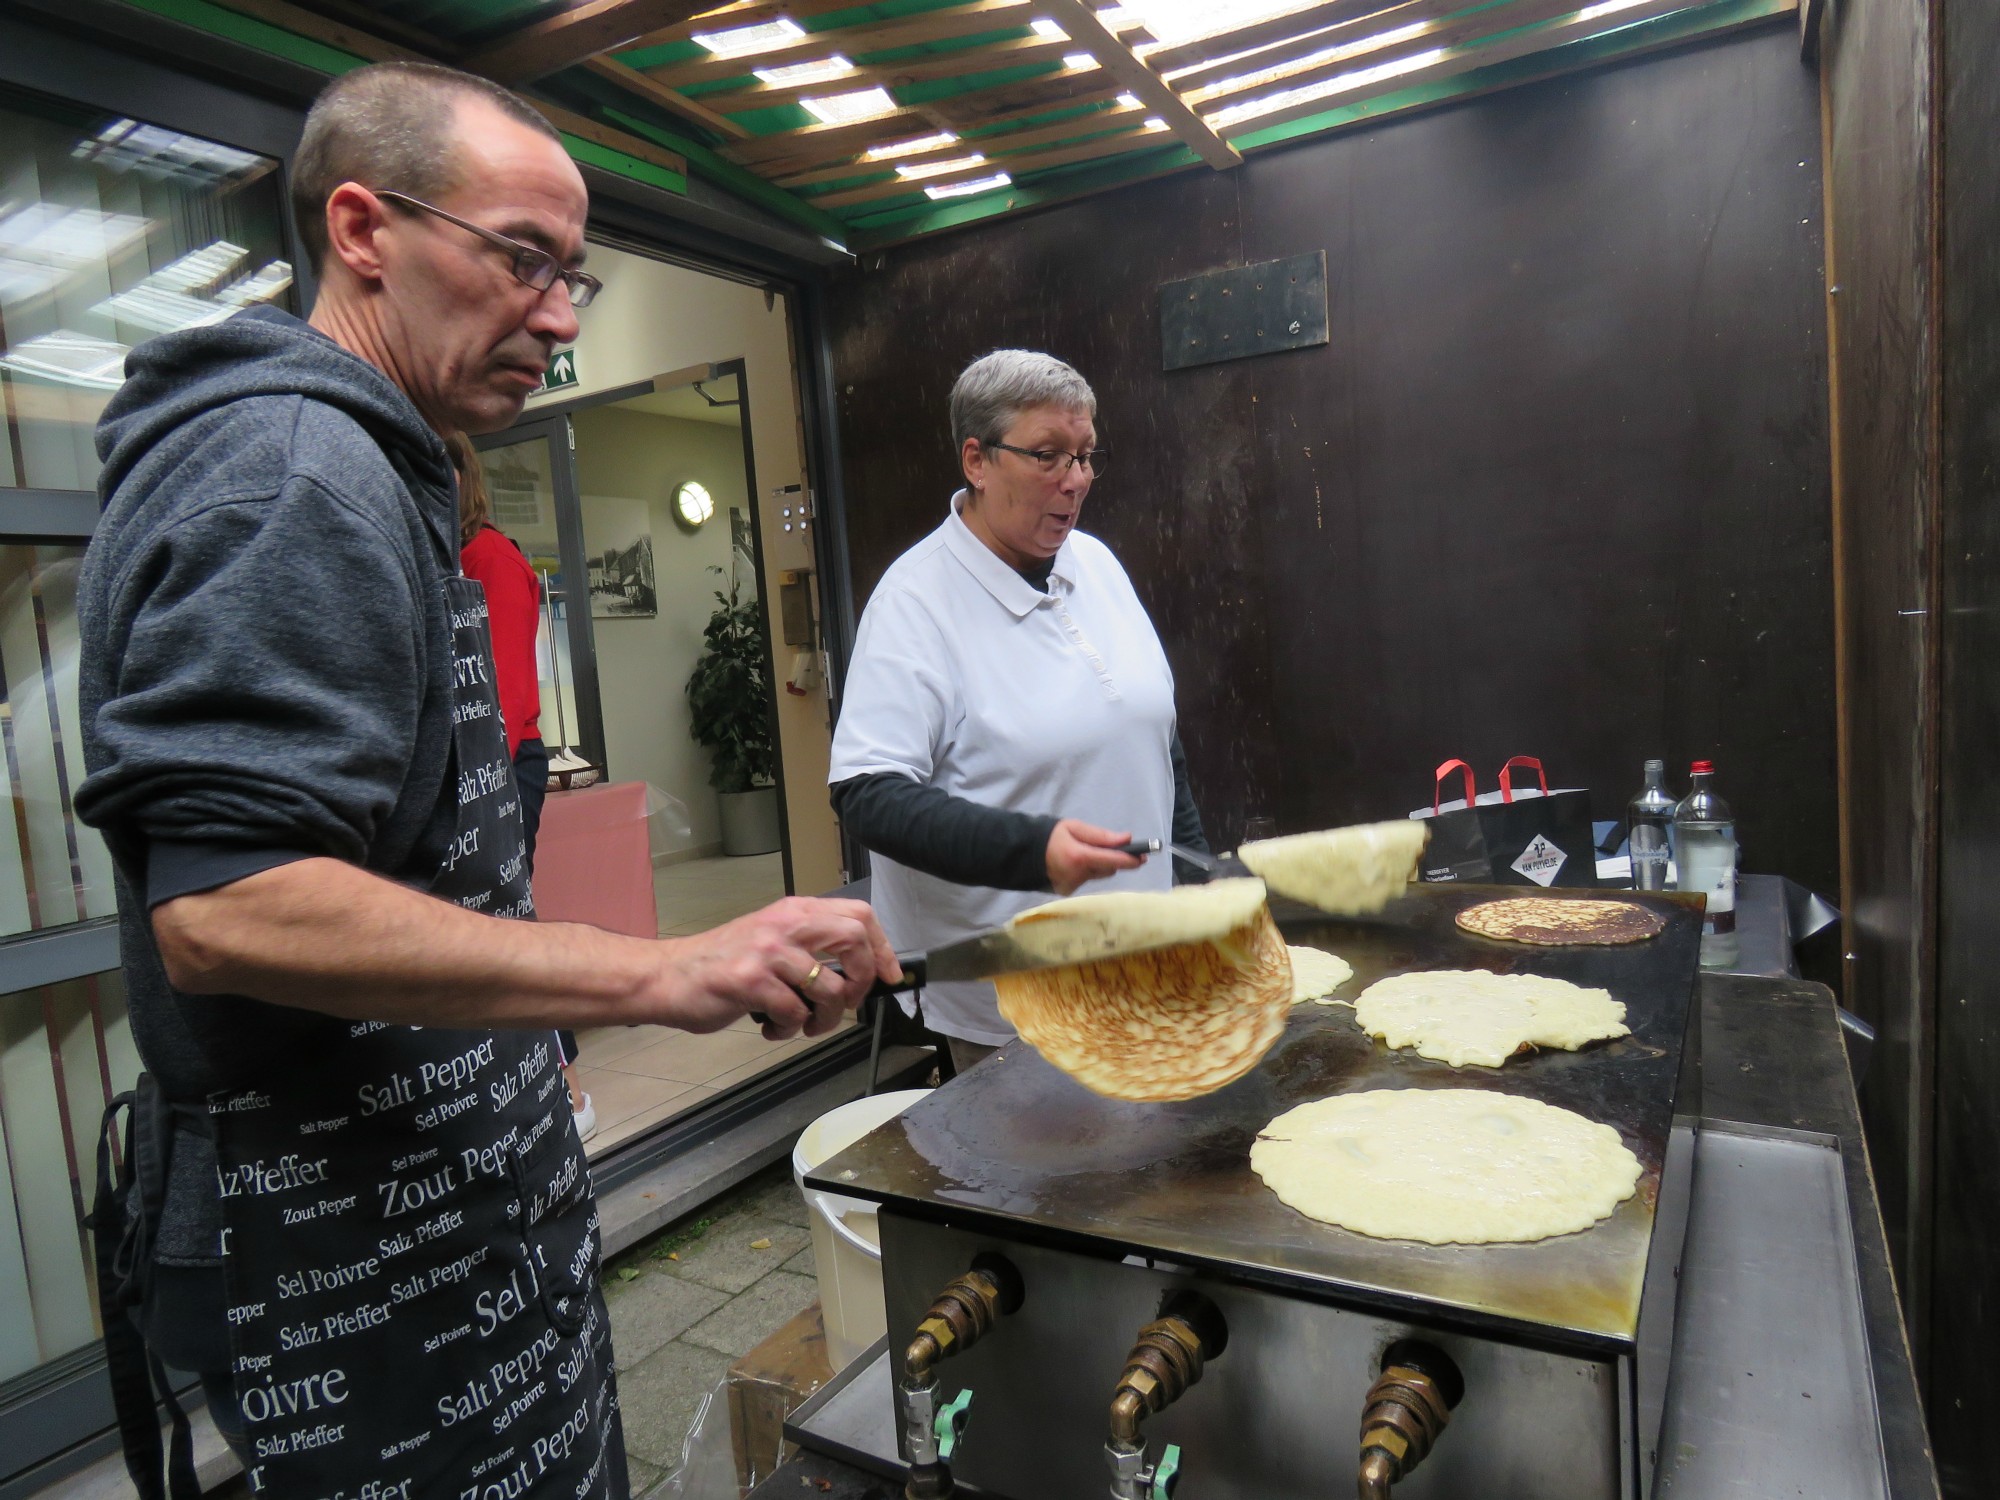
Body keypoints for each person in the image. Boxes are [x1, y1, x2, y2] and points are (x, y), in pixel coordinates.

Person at [75, 61, 895, 1500]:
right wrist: (652, 971)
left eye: (574, 273)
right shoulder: (294, 475)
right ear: (362, 229)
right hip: (343, 1242)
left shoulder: (385, 466)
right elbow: (228, 906)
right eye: (523, 259)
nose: (563, 315)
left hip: (455, 1199)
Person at [828, 349, 1207, 1074]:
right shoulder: (916, 603)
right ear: (977, 459)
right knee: (1050, 1181)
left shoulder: (1094, 562)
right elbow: (867, 794)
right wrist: (1032, 849)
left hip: (1148, 962)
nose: (1076, 481)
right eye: (1047, 456)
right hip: (1019, 999)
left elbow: (1155, 739)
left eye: (1086, 456)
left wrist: (1196, 882)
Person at [449, 433, 595, 1140]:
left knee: (506, 920)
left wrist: (485, 794)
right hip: (481, 769)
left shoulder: (489, 558)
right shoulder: (446, 559)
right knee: (493, 926)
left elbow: (502, 692)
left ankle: (567, 1089)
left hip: (504, 765)